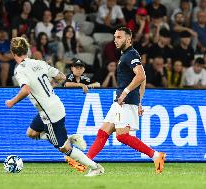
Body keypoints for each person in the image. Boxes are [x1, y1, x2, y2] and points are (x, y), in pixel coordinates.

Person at [65, 27, 166, 174]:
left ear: (128, 39)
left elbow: (141, 76)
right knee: (103, 133)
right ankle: (84, 162)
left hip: (124, 101)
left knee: (122, 136)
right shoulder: (127, 55)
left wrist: (126, 93)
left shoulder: (130, 54)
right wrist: (140, 102)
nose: (115, 40)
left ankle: (156, 156)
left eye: (119, 37)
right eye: (115, 37)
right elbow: (141, 79)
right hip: (121, 101)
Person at [5, 37, 104, 177]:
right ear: (27, 50)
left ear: (13, 53)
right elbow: (62, 76)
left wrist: (12, 102)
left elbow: (25, 90)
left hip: (49, 113)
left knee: (64, 148)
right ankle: (68, 137)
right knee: (31, 133)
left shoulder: (19, 70)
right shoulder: (39, 62)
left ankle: (95, 167)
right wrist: (48, 86)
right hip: (55, 105)